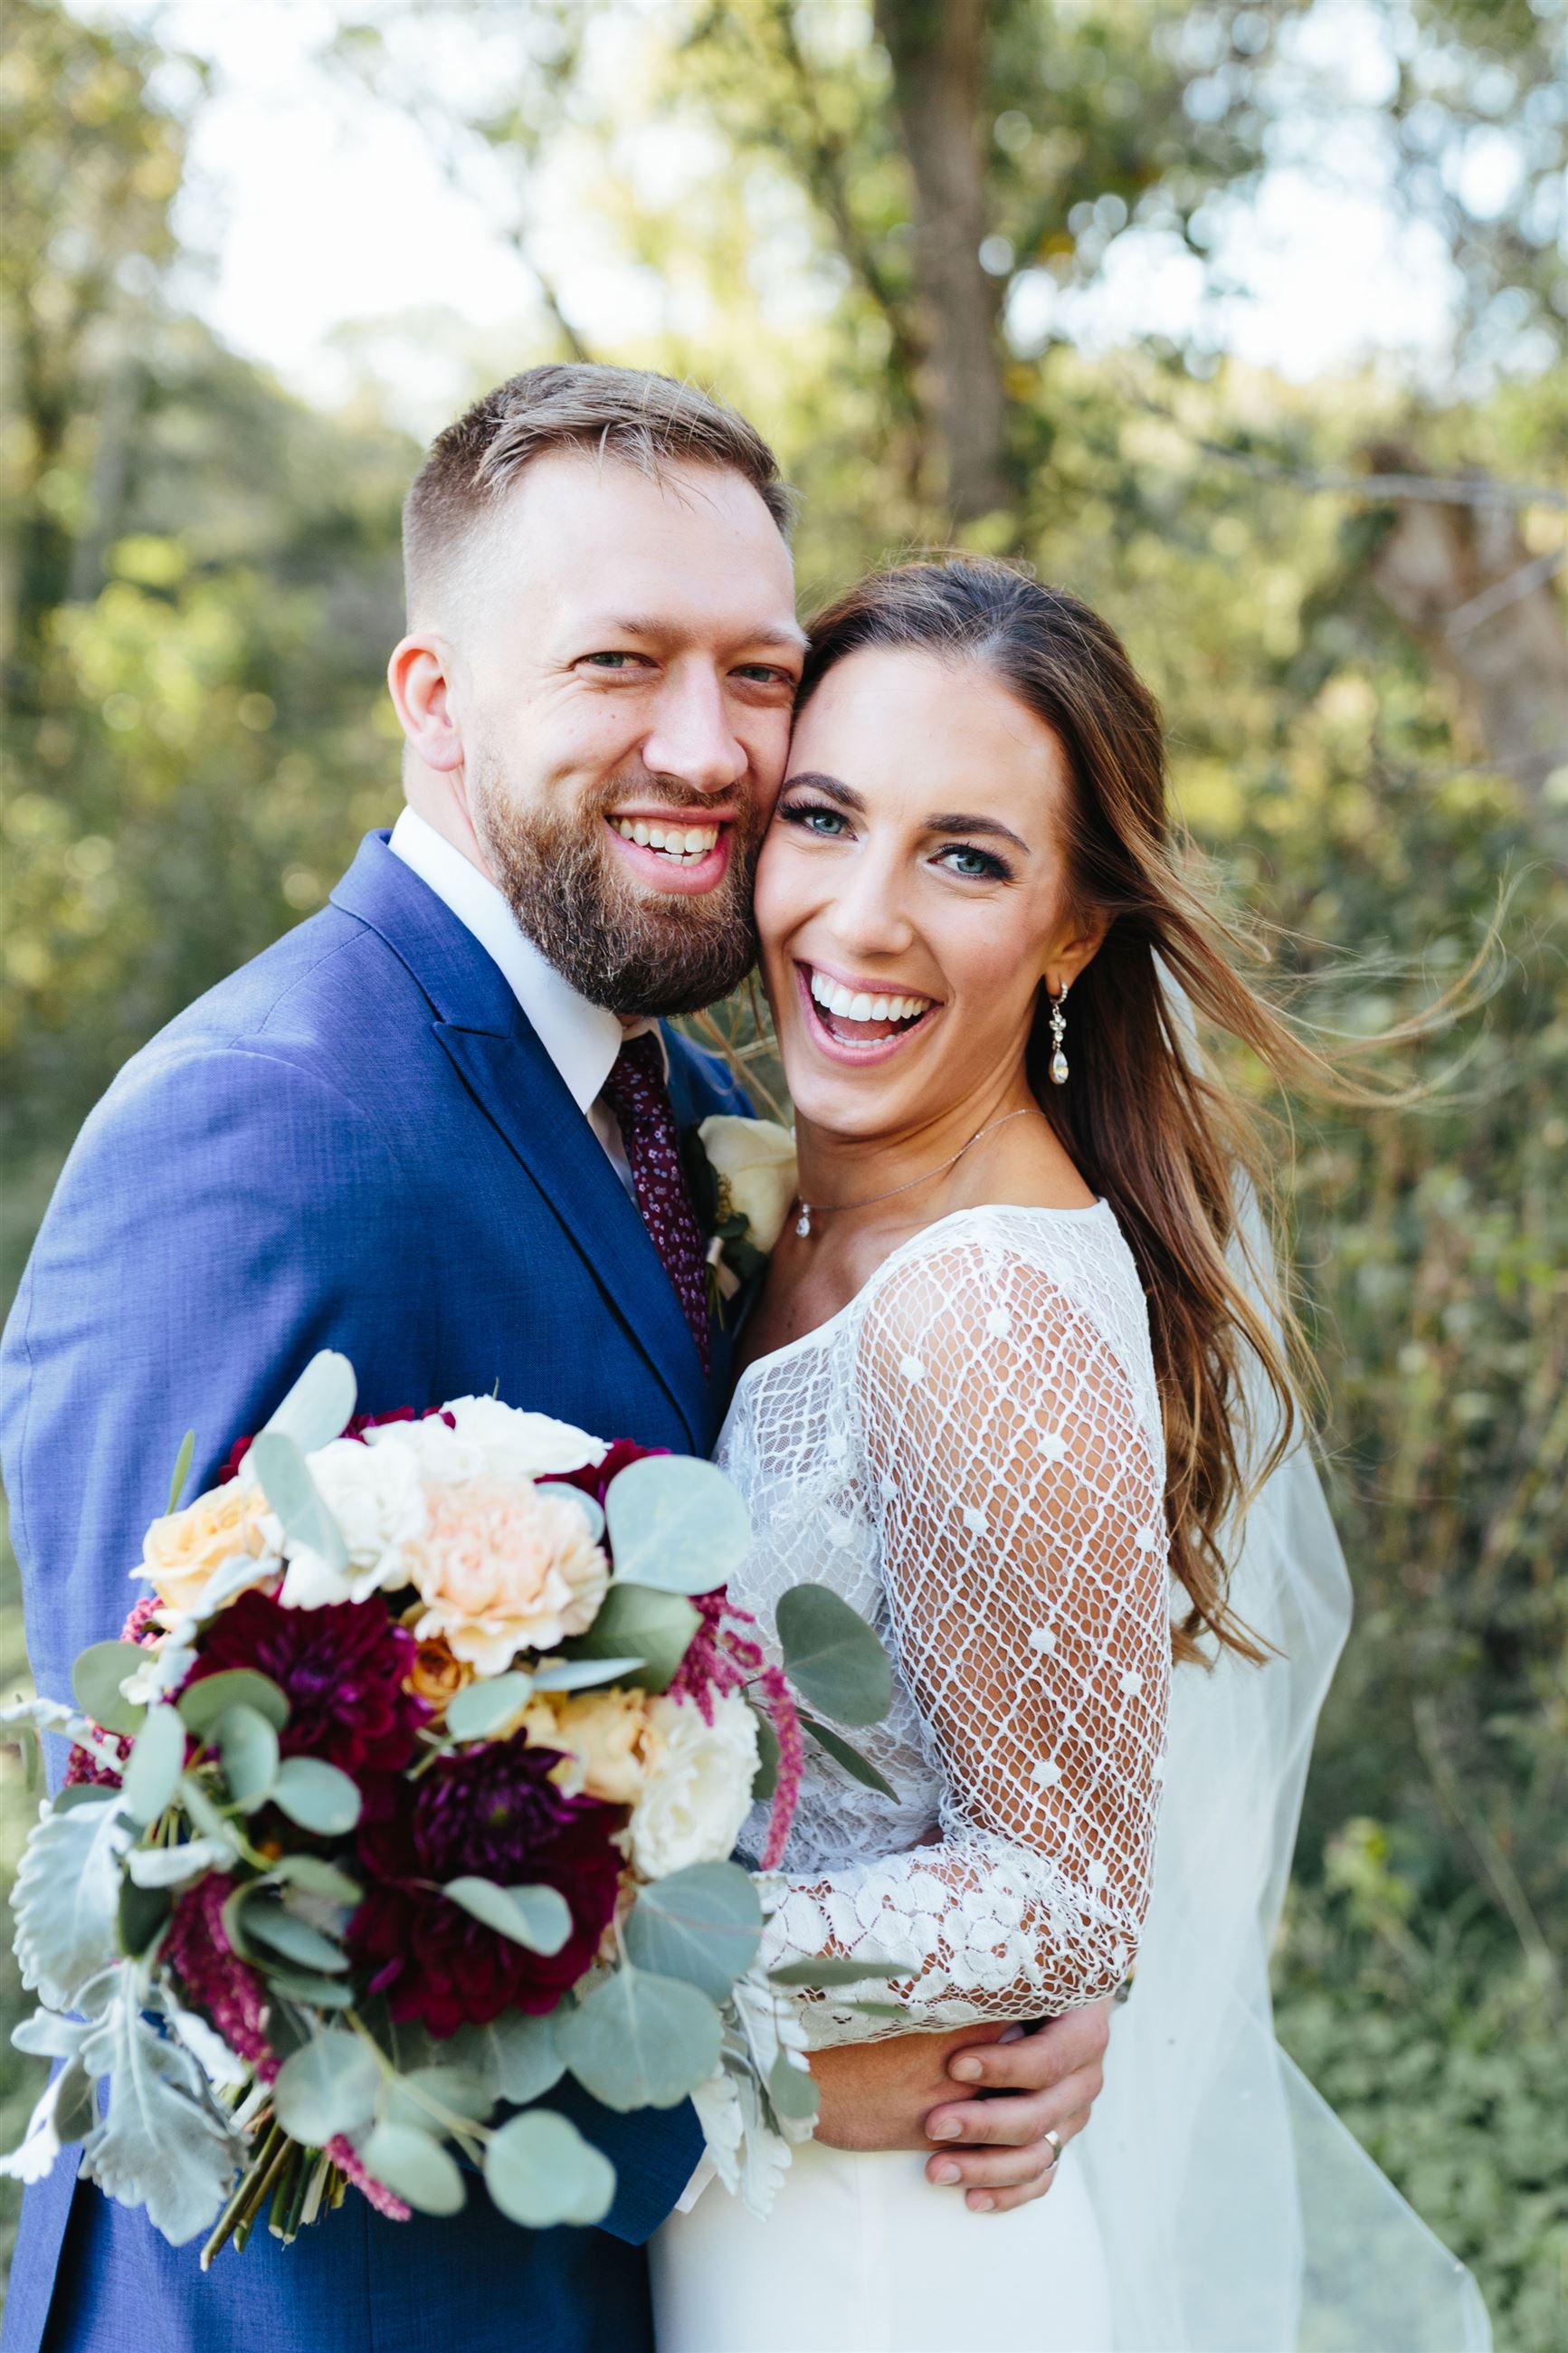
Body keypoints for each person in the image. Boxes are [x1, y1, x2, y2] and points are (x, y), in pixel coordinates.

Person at [0, 370, 1096, 2353]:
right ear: (432, 696)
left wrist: (993, 1975)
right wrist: (763, 2070)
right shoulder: (262, 1129)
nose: (708, 747)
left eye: (759, 675)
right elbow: (201, 1913)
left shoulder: (685, 1099)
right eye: (619, 663)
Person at [649, 557, 1492, 2353]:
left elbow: (1057, 1897)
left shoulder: (988, 1310)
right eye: (823, 817)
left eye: (965, 855)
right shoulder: (784, 1194)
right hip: (755, 2193)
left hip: (884, 2258)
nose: (859, 918)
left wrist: (594, 1947)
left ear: (1073, 928)